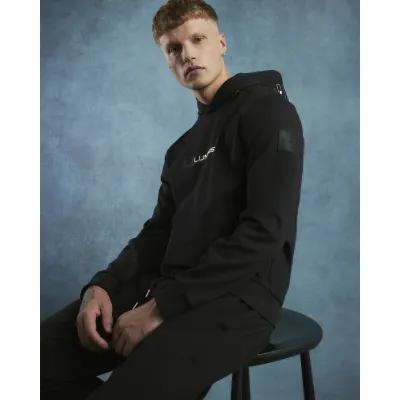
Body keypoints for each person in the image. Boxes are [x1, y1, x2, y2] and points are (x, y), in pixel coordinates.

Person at [40, 1, 305, 399]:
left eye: (198, 39)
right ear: (167, 60)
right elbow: (157, 235)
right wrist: (102, 287)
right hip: (170, 286)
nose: (188, 55)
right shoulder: (182, 149)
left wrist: (160, 308)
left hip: (238, 298)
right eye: (174, 48)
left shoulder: (269, 113)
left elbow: (265, 230)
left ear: (221, 42)